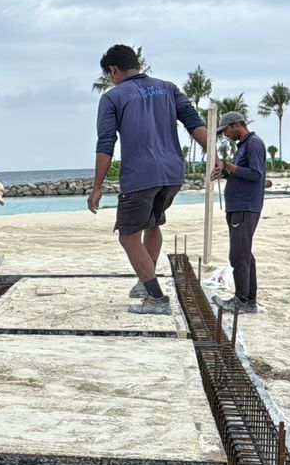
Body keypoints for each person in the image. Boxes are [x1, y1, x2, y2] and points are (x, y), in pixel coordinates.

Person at [88, 44, 209, 314]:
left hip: (140, 175)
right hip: (172, 173)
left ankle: (156, 298)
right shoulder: (168, 88)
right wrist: (214, 156)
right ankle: (145, 283)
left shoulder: (112, 97)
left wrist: (97, 187)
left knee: (128, 236)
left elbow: (106, 142)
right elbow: (194, 123)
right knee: (152, 224)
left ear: (113, 70)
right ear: (138, 65)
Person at [212, 110, 266, 313]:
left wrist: (229, 166)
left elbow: (255, 174)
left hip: (245, 206)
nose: (225, 135)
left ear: (236, 125)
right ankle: (249, 300)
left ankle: (241, 300)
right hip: (238, 206)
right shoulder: (243, 146)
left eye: (226, 130)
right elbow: (242, 174)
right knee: (244, 253)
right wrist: (225, 172)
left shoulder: (253, 143)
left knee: (238, 255)